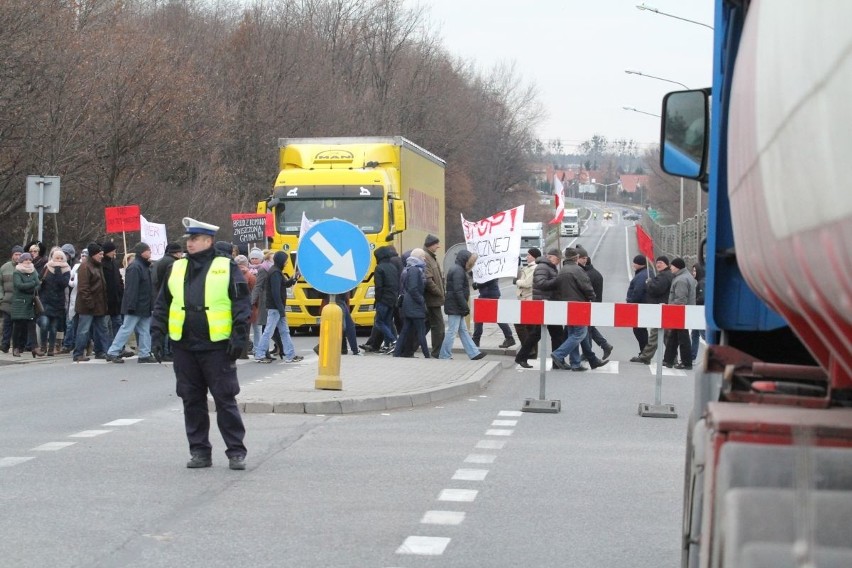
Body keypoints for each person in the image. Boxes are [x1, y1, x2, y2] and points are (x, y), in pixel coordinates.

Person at [151, 217, 251, 470]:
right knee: (191, 400)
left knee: (225, 400)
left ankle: (236, 452)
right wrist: (156, 333)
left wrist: (239, 337)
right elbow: (163, 303)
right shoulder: (177, 267)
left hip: (217, 346)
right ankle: (199, 451)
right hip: (184, 346)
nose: (190, 244)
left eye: (194, 239)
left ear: (208, 241)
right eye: (188, 240)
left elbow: (241, 304)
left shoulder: (227, 267)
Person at [514, 248, 565, 368]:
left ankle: (557, 361)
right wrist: (557, 281)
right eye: (557, 260)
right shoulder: (543, 267)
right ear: (551, 257)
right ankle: (522, 357)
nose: (558, 262)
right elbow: (541, 283)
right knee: (539, 334)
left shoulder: (548, 267)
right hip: (544, 305)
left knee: (555, 334)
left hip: (549, 305)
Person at [105, 242, 156, 364]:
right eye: (148, 250)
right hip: (136, 305)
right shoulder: (135, 267)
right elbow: (131, 289)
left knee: (144, 330)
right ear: (142, 252)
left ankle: (144, 353)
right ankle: (113, 352)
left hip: (143, 305)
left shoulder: (143, 266)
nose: (150, 252)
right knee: (127, 329)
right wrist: (131, 306)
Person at [550, 247, 596, 371]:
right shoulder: (578, 270)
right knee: (580, 333)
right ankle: (558, 354)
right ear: (576, 258)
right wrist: (592, 297)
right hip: (578, 305)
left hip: (566, 306)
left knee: (572, 334)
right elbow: (586, 286)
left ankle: (575, 363)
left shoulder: (562, 270)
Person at [253, 251, 302, 363]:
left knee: (284, 331)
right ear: (280, 261)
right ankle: (260, 354)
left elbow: (285, 284)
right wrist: (281, 309)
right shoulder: (275, 273)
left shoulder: (276, 271)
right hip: (275, 308)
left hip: (277, 308)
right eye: (285, 261)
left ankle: (290, 355)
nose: (286, 263)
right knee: (270, 331)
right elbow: (275, 292)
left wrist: (295, 278)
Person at [439, 249, 485, 360]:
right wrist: (465, 306)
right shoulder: (458, 271)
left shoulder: (457, 269)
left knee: (462, 331)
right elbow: (458, 291)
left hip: (455, 305)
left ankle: (474, 353)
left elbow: (457, 290)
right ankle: (444, 355)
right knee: (452, 331)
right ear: (465, 260)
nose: (471, 263)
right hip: (456, 305)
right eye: (470, 261)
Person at [631, 256, 675, 364]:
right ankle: (671, 358)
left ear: (666, 264)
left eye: (661, 263)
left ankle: (645, 357)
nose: (658, 264)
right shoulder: (667, 275)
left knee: (655, 334)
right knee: (665, 335)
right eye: (657, 262)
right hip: (664, 308)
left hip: (660, 309)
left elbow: (656, 289)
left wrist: (649, 282)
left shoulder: (664, 276)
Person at [72, 243, 110, 362]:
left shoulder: (98, 266)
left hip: (99, 305)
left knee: (102, 329)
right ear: (93, 254)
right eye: (100, 254)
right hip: (87, 306)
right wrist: (90, 304)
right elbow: (83, 288)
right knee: (84, 330)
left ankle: (102, 351)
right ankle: (78, 353)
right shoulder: (85, 267)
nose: (102, 256)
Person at [574, 246, 610, 369]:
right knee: (589, 328)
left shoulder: (588, 274)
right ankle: (604, 346)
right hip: (591, 304)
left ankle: (587, 353)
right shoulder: (593, 273)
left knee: (587, 329)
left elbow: (587, 291)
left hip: (589, 305)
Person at [393, 248, 430, 358]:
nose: (425, 259)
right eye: (423, 257)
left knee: (405, 331)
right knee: (421, 332)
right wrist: (421, 300)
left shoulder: (408, 268)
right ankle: (427, 355)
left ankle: (397, 353)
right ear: (418, 257)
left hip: (408, 304)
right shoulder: (415, 270)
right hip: (414, 305)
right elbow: (413, 288)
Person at [662, 257, 697, 369]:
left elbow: (680, 300)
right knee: (674, 337)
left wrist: (668, 307)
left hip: (680, 313)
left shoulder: (681, 280)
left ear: (677, 267)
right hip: (683, 313)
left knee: (683, 338)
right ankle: (668, 360)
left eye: (671, 266)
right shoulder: (686, 276)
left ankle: (686, 362)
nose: (670, 267)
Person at [38, 247, 71, 356]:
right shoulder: (46, 267)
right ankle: (43, 347)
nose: (58, 260)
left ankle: (51, 348)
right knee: (44, 324)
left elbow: (63, 284)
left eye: (61, 258)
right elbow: (39, 279)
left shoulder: (66, 269)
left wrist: (57, 269)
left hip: (57, 303)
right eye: (56, 257)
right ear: (52, 257)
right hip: (45, 301)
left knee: (53, 328)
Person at [11, 253, 42, 357]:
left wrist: (32, 285)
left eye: (30, 259)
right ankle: (15, 348)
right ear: (21, 261)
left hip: (30, 302)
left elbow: (38, 284)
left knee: (32, 325)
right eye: (26, 260)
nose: (28, 261)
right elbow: (19, 285)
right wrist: (32, 284)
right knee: (18, 326)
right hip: (19, 303)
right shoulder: (17, 272)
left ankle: (35, 347)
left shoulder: (33, 271)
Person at [471, 278, 515, 348]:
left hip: (488, 294)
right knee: (488, 317)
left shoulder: (489, 269)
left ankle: (476, 339)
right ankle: (509, 337)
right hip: (489, 294)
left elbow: (487, 280)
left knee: (481, 317)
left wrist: (477, 284)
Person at [372, 245, 399, 353]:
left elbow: (379, 287)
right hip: (393, 299)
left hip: (383, 300)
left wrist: (377, 300)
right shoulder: (393, 267)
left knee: (379, 322)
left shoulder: (379, 268)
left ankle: (393, 341)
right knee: (387, 322)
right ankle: (389, 346)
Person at [422, 234, 446, 358]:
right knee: (438, 327)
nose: (438, 246)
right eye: (436, 244)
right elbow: (428, 281)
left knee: (426, 326)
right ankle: (437, 352)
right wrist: (439, 292)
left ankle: (409, 347)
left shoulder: (431, 257)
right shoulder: (426, 258)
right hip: (432, 299)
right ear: (431, 245)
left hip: (434, 299)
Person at [514, 247, 540, 358]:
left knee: (520, 325)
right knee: (531, 328)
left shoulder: (534, 268)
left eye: (529, 255)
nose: (527, 257)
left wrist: (517, 281)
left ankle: (528, 349)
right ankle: (532, 352)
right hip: (526, 300)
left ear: (534, 256)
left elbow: (527, 283)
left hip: (528, 300)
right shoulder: (529, 267)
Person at [0, 245, 24, 353]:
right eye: (16, 254)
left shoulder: (26, 267)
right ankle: (5, 345)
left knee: (19, 325)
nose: (18, 256)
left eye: (20, 254)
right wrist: (1, 297)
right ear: (12, 255)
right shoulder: (4, 267)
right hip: (7, 301)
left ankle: (17, 346)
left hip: (20, 302)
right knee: (7, 324)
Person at [101, 242, 125, 347]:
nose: (114, 253)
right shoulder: (101, 264)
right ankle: (107, 347)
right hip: (105, 300)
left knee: (118, 323)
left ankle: (119, 346)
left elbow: (119, 279)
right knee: (106, 326)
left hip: (116, 299)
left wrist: (121, 291)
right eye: (113, 251)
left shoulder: (114, 263)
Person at [626, 255, 649, 355]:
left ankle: (644, 352)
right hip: (642, 306)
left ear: (639, 264)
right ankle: (644, 352)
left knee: (639, 330)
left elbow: (638, 291)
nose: (633, 264)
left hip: (639, 307)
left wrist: (631, 302)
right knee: (640, 329)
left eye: (634, 262)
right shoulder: (644, 273)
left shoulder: (641, 276)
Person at [691, 263, 706, 364]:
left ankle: (713, 354)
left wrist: (693, 301)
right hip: (698, 312)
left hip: (700, 313)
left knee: (704, 335)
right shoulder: (700, 282)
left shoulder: (702, 283)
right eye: (692, 271)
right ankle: (692, 357)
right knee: (695, 334)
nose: (693, 273)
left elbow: (702, 298)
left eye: (695, 271)